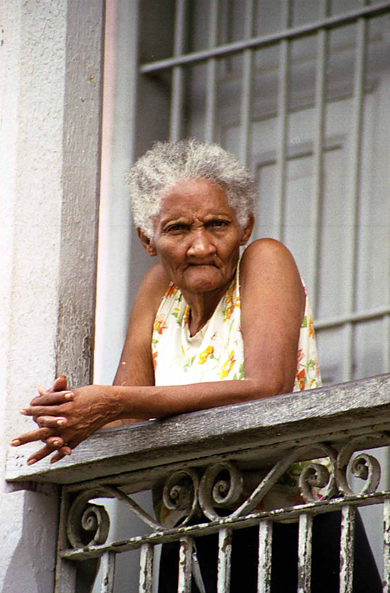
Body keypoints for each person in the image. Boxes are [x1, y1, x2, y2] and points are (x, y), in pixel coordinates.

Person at [12, 139, 380, 592]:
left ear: (245, 226)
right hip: (190, 525)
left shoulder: (265, 260)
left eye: (218, 224)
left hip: (290, 522)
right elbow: (127, 414)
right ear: (148, 239)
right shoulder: (157, 290)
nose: (200, 245)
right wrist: (66, 416)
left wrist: (110, 402)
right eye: (178, 228)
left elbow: (268, 386)